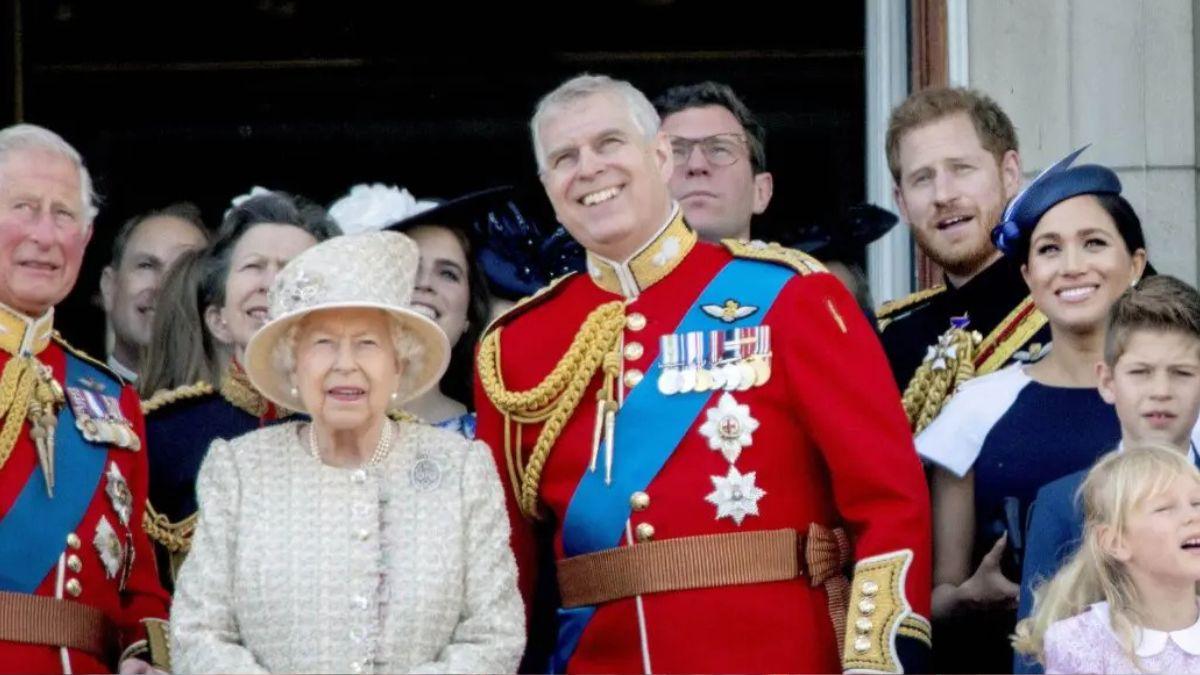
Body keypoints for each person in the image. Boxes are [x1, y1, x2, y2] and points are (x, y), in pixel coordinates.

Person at [475, 73, 931, 673]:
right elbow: (507, 569)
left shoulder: (789, 297)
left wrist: (879, 663)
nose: (588, 168)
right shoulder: (516, 349)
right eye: (565, 157)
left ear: (660, 156)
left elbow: (888, 502)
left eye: (609, 143)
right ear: (548, 187)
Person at [171, 230, 524, 673]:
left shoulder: (461, 469)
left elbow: (495, 635)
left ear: (400, 363)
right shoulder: (240, 469)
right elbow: (198, 633)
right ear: (293, 363)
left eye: (367, 343)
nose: (344, 364)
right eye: (322, 343)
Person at [917, 148, 1148, 671]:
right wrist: (971, 596)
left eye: (1093, 243)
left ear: (1134, 264)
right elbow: (932, 599)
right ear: (1027, 275)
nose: (1072, 266)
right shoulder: (976, 406)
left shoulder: (1177, 399)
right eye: (1049, 249)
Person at [0, 123, 169, 672]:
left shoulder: (112, 400)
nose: (44, 236)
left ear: (86, 239)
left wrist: (146, 655)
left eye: (64, 214)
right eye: (23, 207)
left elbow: (137, 584)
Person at [139, 189, 338, 591]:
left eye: (294, 268)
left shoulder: (371, 431)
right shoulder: (161, 433)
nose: (273, 283)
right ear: (218, 320)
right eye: (254, 266)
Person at [1015, 274, 1200, 672]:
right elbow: (1034, 652)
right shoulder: (1063, 503)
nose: (1161, 390)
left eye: (1182, 373)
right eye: (1141, 372)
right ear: (1107, 380)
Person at [878, 87, 1051, 428]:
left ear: (1009, 173)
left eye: (961, 169)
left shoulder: (1075, 308)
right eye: (922, 178)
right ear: (901, 201)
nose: (943, 195)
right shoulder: (889, 339)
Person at [1013, 445, 1200, 673]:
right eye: (1164, 508)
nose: (1194, 516)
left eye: (1197, 503)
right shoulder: (1080, 643)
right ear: (1115, 542)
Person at [99, 202, 208, 383]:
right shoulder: (58, 399)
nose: (163, 287)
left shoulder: (232, 409)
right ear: (109, 287)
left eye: (183, 270)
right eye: (147, 266)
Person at [653, 81, 773, 243]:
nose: (696, 165)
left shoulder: (805, 270)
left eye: (720, 150)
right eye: (675, 152)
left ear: (760, 192)